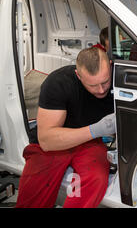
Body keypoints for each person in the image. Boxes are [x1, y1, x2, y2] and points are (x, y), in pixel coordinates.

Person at [16, 47, 116, 208]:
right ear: (78, 75)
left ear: (110, 66)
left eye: (105, 82)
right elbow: (47, 140)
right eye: (93, 85)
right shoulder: (59, 83)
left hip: (88, 143)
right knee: (33, 196)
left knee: (96, 178)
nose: (101, 90)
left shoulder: (120, 78)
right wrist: (96, 129)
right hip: (54, 144)